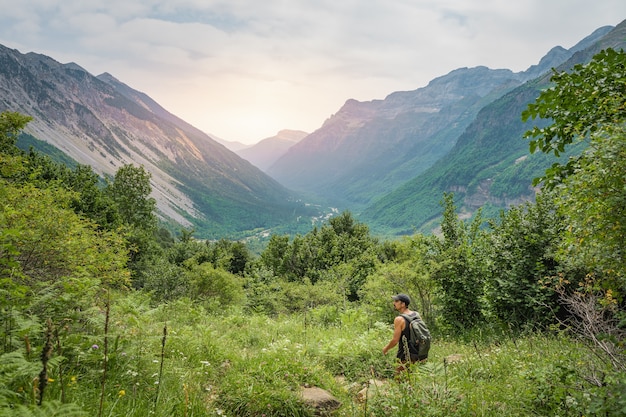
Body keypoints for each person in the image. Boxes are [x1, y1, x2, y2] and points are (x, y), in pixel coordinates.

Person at [382, 293, 424, 374]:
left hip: (405, 354)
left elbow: (395, 340)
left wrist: (385, 349)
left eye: (396, 301)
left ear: (403, 304)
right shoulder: (417, 315)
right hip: (417, 352)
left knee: (400, 380)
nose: (394, 303)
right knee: (411, 377)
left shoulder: (399, 319)